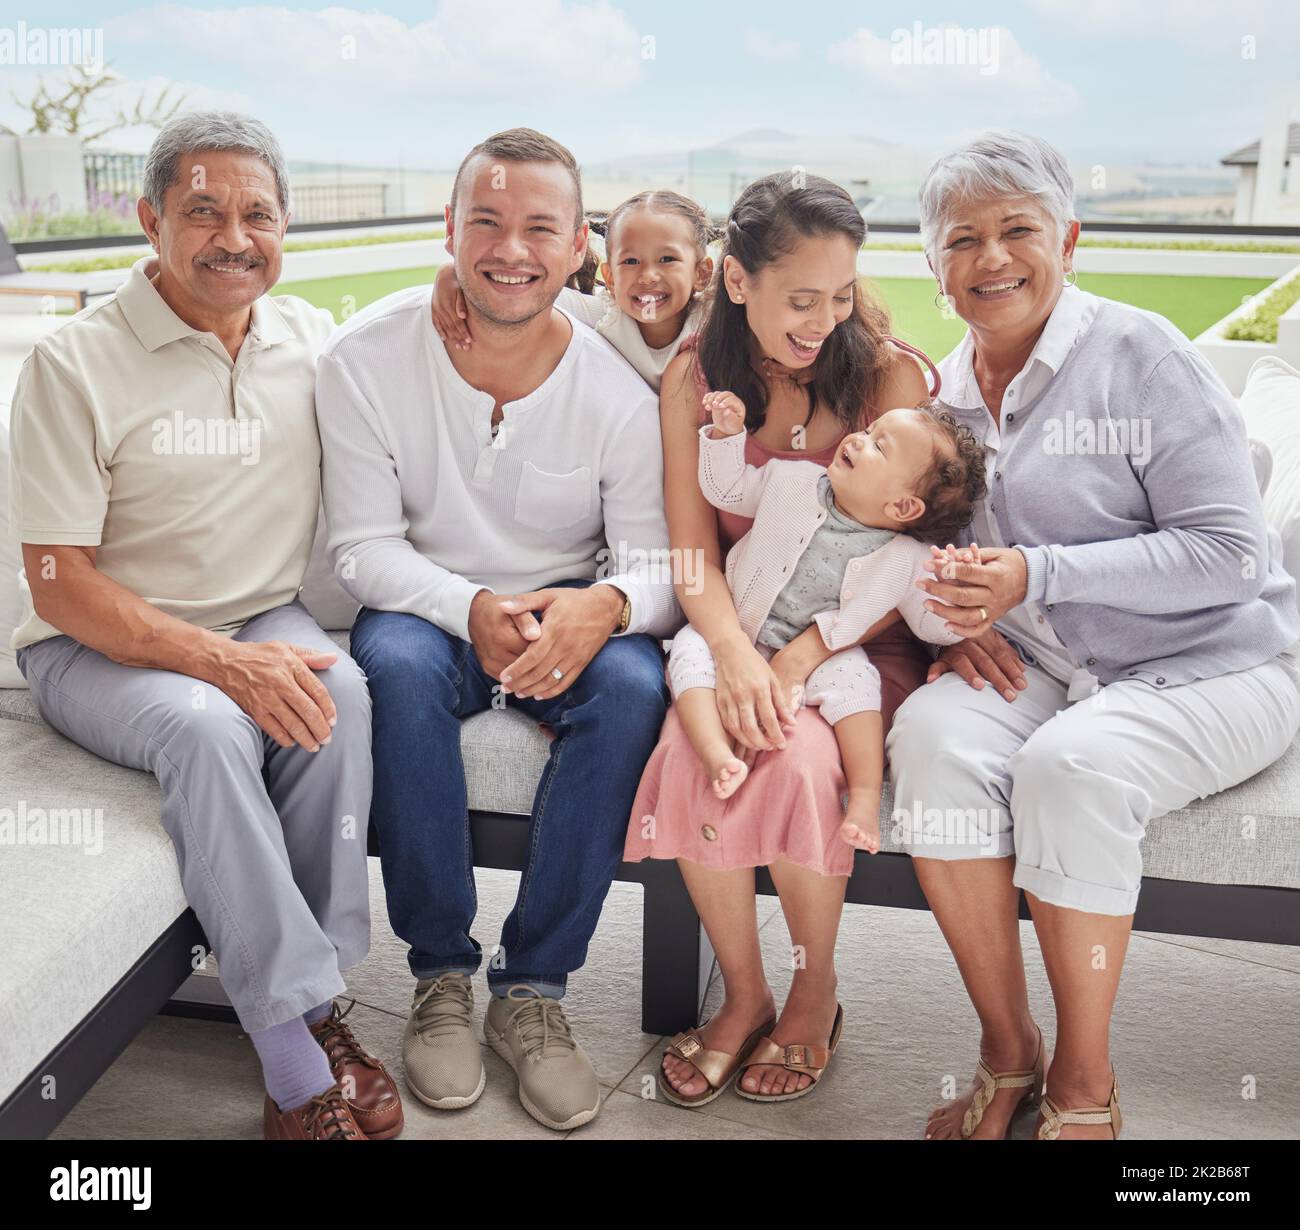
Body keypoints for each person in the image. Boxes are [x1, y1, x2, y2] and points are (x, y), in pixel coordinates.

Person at [886, 130, 1300, 1140]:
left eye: (1017, 230)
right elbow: (915, 549)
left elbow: (1230, 557)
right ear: (932, 268)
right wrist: (943, 627)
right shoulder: (942, 400)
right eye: (962, 239)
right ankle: (1006, 1051)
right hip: (1051, 664)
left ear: (1068, 240)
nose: (991, 259)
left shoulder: (1141, 352)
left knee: (1071, 769)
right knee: (930, 742)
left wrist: (1039, 573)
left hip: (1213, 661)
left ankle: (1082, 1087)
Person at [9, 111, 399, 1141]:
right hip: (93, 645)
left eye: (257, 213)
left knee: (342, 692)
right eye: (202, 211)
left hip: (253, 612)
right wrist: (220, 665)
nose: (234, 236)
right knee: (208, 725)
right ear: (150, 220)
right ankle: (288, 1055)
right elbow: (59, 588)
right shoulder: (71, 365)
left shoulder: (308, 340)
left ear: (286, 227)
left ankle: (318, 1002)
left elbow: (432, 333)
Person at [315, 127, 681, 1132]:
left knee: (635, 686)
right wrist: (463, 606)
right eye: (485, 221)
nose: (509, 251)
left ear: (578, 251)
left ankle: (533, 994)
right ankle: (438, 975)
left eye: (538, 230)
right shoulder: (364, 360)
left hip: (565, 609)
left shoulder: (622, 390)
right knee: (387, 659)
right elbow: (359, 546)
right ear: (449, 230)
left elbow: (656, 566)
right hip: (426, 604)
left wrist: (603, 606)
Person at [623, 171, 942, 1105]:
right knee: (693, 751)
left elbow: (910, 554)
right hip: (737, 622)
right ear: (734, 281)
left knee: (800, 766)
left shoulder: (885, 373)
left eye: (840, 296)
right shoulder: (696, 377)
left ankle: (812, 988)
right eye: (801, 299)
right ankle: (745, 992)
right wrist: (731, 656)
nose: (825, 320)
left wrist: (802, 658)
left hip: (851, 642)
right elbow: (693, 557)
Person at [673, 391, 983, 856]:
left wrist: (960, 588)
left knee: (858, 685)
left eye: (880, 447)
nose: (859, 440)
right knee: (690, 652)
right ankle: (716, 756)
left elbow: (934, 629)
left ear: (902, 508)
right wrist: (725, 435)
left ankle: (861, 795)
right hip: (740, 626)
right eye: (869, 431)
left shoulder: (909, 562)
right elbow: (728, 491)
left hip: (819, 656)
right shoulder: (792, 479)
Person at [432, 187, 716, 392]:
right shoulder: (604, 314)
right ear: (611, 278)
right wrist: (452, 274)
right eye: (630, 261)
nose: (648, 276)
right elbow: (528, 294)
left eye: (667, 259)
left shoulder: (714, 319)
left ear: (701, 273)